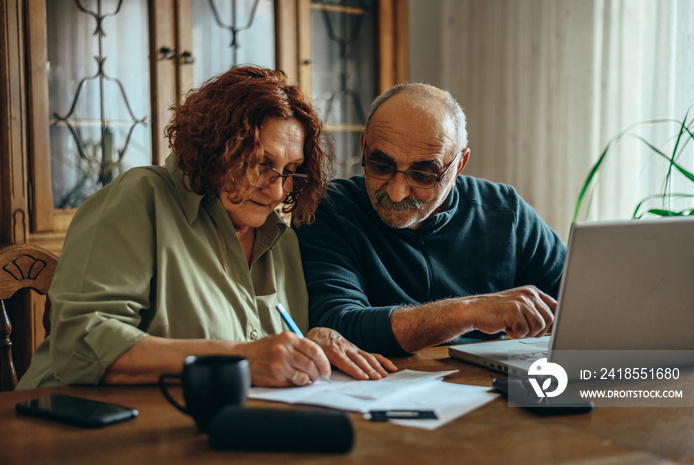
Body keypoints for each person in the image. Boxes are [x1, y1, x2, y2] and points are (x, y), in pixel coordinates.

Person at [18, 65, 396, 390]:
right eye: (262, 163)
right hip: (68, 426)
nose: (278, 189)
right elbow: (81, 343)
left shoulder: (281, 240)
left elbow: (271, 353)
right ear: (217, 147)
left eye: (291, 171)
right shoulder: (138, 200)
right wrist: (241, 358)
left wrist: (309, 346)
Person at [293, 83, 566, 356]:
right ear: (364, 146)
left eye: (423, 175)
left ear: (459, 165)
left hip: (486, 388)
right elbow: (336, 327)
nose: (397, 193)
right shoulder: (326, 210)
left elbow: (579, 301)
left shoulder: (504, 211)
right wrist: (467, 312)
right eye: (381, 166)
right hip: (381, 391)